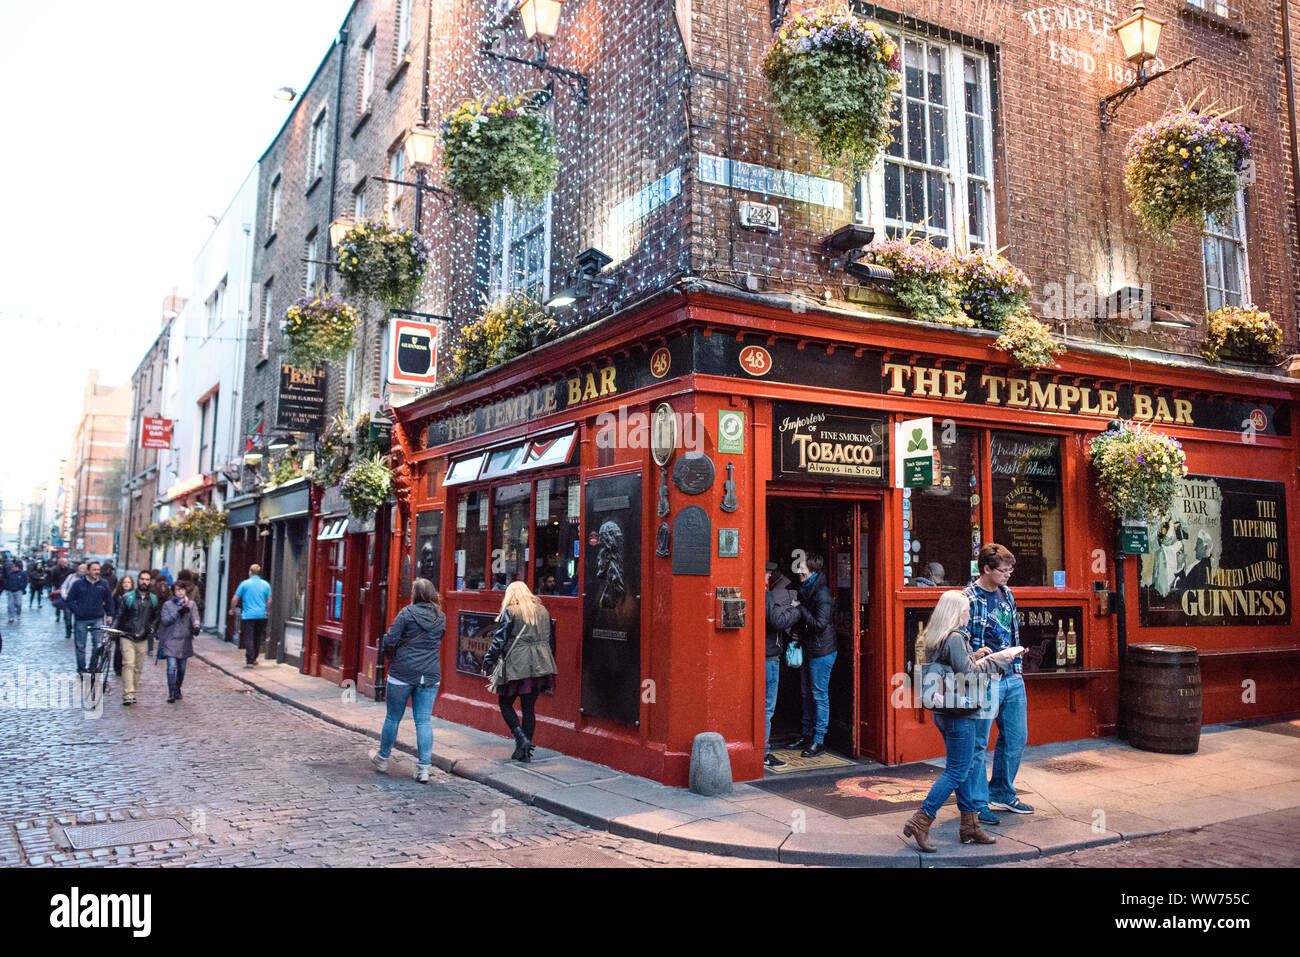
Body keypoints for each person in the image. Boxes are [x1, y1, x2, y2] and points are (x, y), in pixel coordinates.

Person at [902, 591, 1025, 852]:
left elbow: (957, 666)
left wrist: (977, 655)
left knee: (966, 768)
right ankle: (921, 820)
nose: (969, 614)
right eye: (967, 610)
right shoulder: (956, 637)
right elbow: (968, 675)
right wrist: (999, 660)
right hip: (961, 712)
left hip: (944, 711)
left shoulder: (938, 635)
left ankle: (970, 826)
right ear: (957, 613)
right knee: (957, 770)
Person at [964, 543, 1034, 819]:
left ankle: (1003, 792)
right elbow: (956, 638)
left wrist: (1017, 664)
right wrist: (973, 655)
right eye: (1003, 571)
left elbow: (1011, 632)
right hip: (984, 678)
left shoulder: (1007, 593)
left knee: (1017, 737)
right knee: (979, 743)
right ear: (986, 569)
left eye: (1010, 570)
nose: (1008, 575)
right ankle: (978, 804)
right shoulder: (967, 598)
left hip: (1012, 675)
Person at [371, 578, 445, 783]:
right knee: (423, 721)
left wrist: (389, 653)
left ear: (415, 594)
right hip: (429, 674)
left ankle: (383, 758)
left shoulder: (406, 613)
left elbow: (390, 640)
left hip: (402, 673)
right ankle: (423, 768)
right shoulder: (441, 617)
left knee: (393, 718)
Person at [482, 581, 558, 763]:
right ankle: (524, 752)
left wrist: (489, 659)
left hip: (518, 664)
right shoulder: (543, 610)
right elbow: (552, 641)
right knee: (529, 707)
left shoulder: (511, 611)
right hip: (541, 663)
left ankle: (521, 739)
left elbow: (500, 640)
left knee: (505, 703)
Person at [789, 552, 836, 758]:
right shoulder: (806, 589)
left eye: (802, 568)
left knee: (819, 695)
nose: (798, 571)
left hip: (822, 651)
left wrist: (800, 609)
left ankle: (819, 740)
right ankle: (807, 734)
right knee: (806, 694)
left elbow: (819, 624)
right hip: (810, 647)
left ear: (813, 570)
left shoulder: (822, 593)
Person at [763, 561, 801, 769]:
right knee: (767, 708)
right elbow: (777, 621)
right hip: (769, 656)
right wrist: (796, 610)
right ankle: (764, 752)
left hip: (763, 654)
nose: (769, 577)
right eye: (767, 574)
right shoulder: (766, 595)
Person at [112, 575, 157, 706]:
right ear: (138, 580)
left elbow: (155, 616)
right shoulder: (128, 597)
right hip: (127, 635)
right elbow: (119, 615)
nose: (144, 582)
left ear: (150, 582)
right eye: (142, 579)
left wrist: (152, 628)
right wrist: (113, 629)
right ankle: (128, 694)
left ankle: (133, 692)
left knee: (138, 668)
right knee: (128, 664)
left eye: (147, 579)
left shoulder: (153, 599)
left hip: (143, 637)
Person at [66, 561, 114, 673]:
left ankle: (93, 667)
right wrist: (77, 611)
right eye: (94, 569)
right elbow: (69, 600)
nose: (97, 572)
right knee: (80, 645)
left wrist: (110, 614)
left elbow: (109, 600)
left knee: (97, 645)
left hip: (97, 618)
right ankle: (81, 669)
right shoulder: (78, 584)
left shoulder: (104, 584)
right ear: (88, 571)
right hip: (81, 619)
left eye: (98, 569)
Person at [158, 581, 200, 703]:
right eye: (177, 590)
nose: (180, 592)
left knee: (181, 669)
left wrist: (196, 627)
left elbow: (195, 618)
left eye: (182, 589)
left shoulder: (191, 605)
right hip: (171, 640)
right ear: (174, 592)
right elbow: (165, 620)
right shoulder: (167, 605)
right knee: (171, 667)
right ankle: (171, 692)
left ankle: (177, 689)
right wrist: (177, 613)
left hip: (185, 641)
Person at [230, 564, 272, 667]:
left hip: (248, 615)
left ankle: (250, 661)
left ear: (250, 572)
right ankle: (255, 658)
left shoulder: (244, 584)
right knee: (257, 637)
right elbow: (269, 600)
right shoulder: (266, 584)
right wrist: (267, 611)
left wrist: (232, 609)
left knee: (248, 638)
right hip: (261, 615)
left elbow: (235, 598)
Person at [60, 563, 86, 639]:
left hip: (79, 602)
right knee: (67, 618)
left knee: (78, 618)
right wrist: (64, 595)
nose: (80, 573)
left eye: (82, 571)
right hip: (68, 600)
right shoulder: (71, 577)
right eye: (79, 571)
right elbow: (64, 586)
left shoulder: (85, 580)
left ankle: (77, 631)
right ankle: (68, 631)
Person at [4, 559, 29, 624]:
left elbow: (26, 581)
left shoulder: (22, 573)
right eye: (12, 567)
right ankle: (11, 617)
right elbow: (5, 580)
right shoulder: (10, 573)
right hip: (10, 591)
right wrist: (6, 586)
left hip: (18, 591)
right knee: (10, 605)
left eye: (14, 567)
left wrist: (22, 587)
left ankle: (18, 613)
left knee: (18, 603)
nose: (13, 568)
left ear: (17, 567)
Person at [49, 558, 72, 622]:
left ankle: (65, 615)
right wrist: (56, 585)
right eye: (65, 562)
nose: (66, 564)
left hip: (67, 588)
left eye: (67, 562)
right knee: (58, 601)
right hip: (58, 588)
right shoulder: (56, 569)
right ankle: (58, 615)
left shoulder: (70, 570)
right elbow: (53, 578)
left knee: (65, 602)